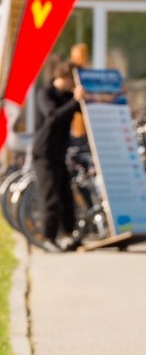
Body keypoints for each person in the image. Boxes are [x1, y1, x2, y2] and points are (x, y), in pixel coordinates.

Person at [31, 60, 85, 252]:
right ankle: (48, 238)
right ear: (64, 77)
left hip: (60, 154)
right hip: (44, 154)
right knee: (51, 197)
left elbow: (82, 109)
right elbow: (53, 115)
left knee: (66, 195)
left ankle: (68, 235)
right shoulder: (45, 93)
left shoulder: (69, 96)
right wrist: (75, 101)